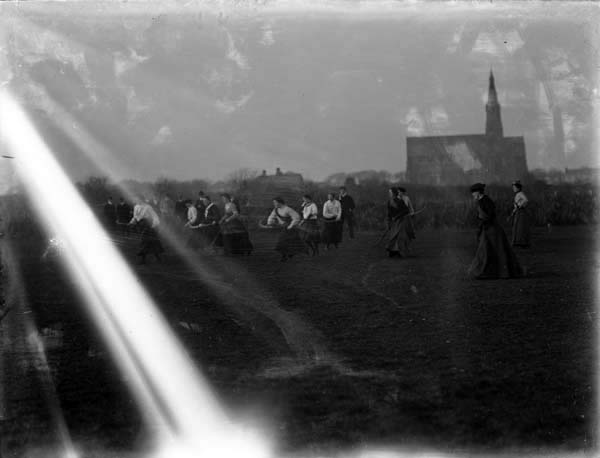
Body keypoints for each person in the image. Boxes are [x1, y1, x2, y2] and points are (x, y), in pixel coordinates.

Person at [468, 183, 522, 279]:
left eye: (473, 193)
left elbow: (490, 214)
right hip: (488, 228)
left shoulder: (485, 200)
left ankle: (485, 272)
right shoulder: (482, 200)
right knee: (490, 250)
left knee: (490, 250)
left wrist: (483, 222)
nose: (472, 195)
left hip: (491, 229)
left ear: (478, 192)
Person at [266, 197, 308, 261]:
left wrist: (291, 225)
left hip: (291, 229)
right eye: (274, 203)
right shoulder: (276, 210)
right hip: (284, 228)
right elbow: (271, 216)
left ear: (279, 202)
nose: (274, 204)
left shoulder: (288, 209)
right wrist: (269, 222)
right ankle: (284, 256)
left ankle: (290, 254)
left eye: (275, 202)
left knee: (292, 242)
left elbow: (296, 217)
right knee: (283, 242)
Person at [128, 198, 164, 264]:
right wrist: (131, 222)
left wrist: (154, 224)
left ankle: (143, 260)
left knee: (144, 241)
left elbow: (154, 216)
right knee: (151, 242)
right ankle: (158, 258)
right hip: (140, 225)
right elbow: (135, 217)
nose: (136, 201)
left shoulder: (148, 207)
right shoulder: (136, 206)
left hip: (148, 224)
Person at [385, 187, 411, 258]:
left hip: (400, 221)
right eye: (389, 192)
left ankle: (398, 251)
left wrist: (397, 216)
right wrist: (389, 220)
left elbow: (406, 211)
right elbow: (389, 213)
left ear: (394, 193)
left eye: (390, 192)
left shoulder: (400, 201)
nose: (389, 194)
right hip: (393, 222)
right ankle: (392, 251)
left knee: (398, 237)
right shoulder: (389, 202)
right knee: (392, 237)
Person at [510, 181, 531, 248]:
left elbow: (526, 200)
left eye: (514, 187)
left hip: (521, 212)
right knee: (517, 226)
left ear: (518, 188)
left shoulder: (520, 193)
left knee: (520, 226)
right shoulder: (517, 194)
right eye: (513, 187)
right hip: (518, 211)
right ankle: (518, 242)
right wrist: (513, 212)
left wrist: (520, 205)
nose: (513, 189)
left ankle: (521, 242)